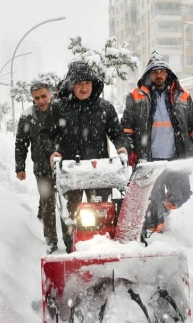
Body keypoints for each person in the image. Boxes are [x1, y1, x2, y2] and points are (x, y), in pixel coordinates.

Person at [41, 61, 128, 253]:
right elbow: (45, 134)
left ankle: (100, 250)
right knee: (71, 216)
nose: (83, 88)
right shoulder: (58, 108)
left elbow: (117, 133)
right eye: (79, 83)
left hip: (99, 170)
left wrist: (122, 148)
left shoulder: (104, 108)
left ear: (93, 84)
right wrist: (51, 153)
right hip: (69, 171)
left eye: (87, 83)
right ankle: (73, 249)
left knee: (101, 213)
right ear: (71, 84)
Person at [121, 51, 193, 233]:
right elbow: (126, 128)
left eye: (162, 71)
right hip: (149, 160)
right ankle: (156, 239)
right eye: (155, 71)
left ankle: (165, 208)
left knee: (182, 194)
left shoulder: (182, 95)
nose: (159, 75)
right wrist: (130, 150)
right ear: (148, 74)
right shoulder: (135, 96)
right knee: (151, 204)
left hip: (175, 158)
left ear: (168, 73)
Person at [15, 81, 59, 254]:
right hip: (42, 167)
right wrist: (20, 167)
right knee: (48, 202)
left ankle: (72, 235)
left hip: (64, 166)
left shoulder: (60, 111)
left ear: (51, 94)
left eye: (43, 96)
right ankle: (51, 239)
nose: (40, 100)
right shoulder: (28, 116)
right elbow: (21, 143)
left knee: (67, 202)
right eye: (36, 98)